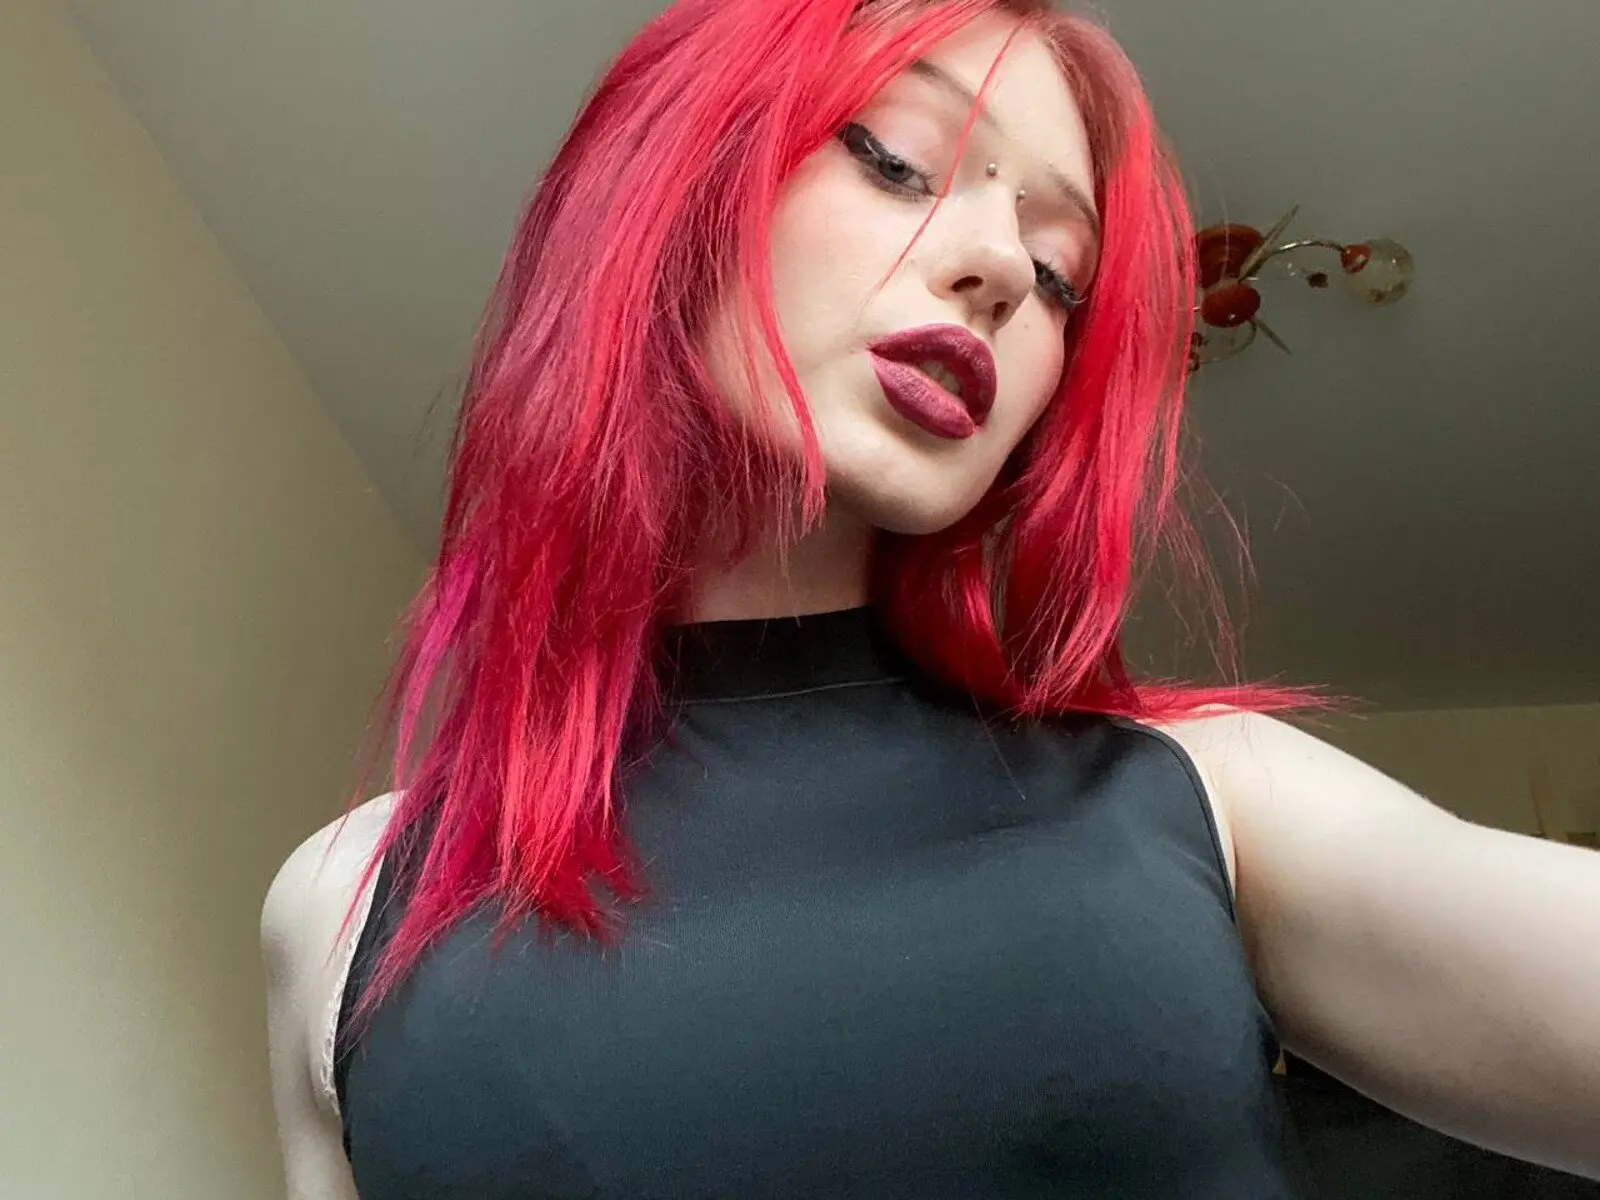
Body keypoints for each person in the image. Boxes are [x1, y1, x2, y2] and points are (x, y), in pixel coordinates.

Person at [261, 1, 1600, 1196]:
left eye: (1060, 273)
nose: (1004, 270)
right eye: (900, 160)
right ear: (680, 178)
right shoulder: (343, 908)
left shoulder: (1203, 799)